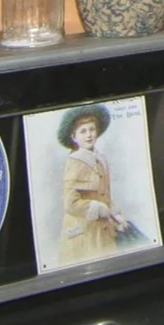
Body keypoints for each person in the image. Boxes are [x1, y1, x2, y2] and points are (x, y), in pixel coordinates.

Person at [56, 104, 130, 263]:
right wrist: (97, 209)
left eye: (92, 129)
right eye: (83, 131)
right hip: (83, 231)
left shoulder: (101, 160)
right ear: (73, 137)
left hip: (103, 229)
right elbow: (70, 203)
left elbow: (105, 195)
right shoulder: (74, 162)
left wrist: (115, 215)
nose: (89, 135)